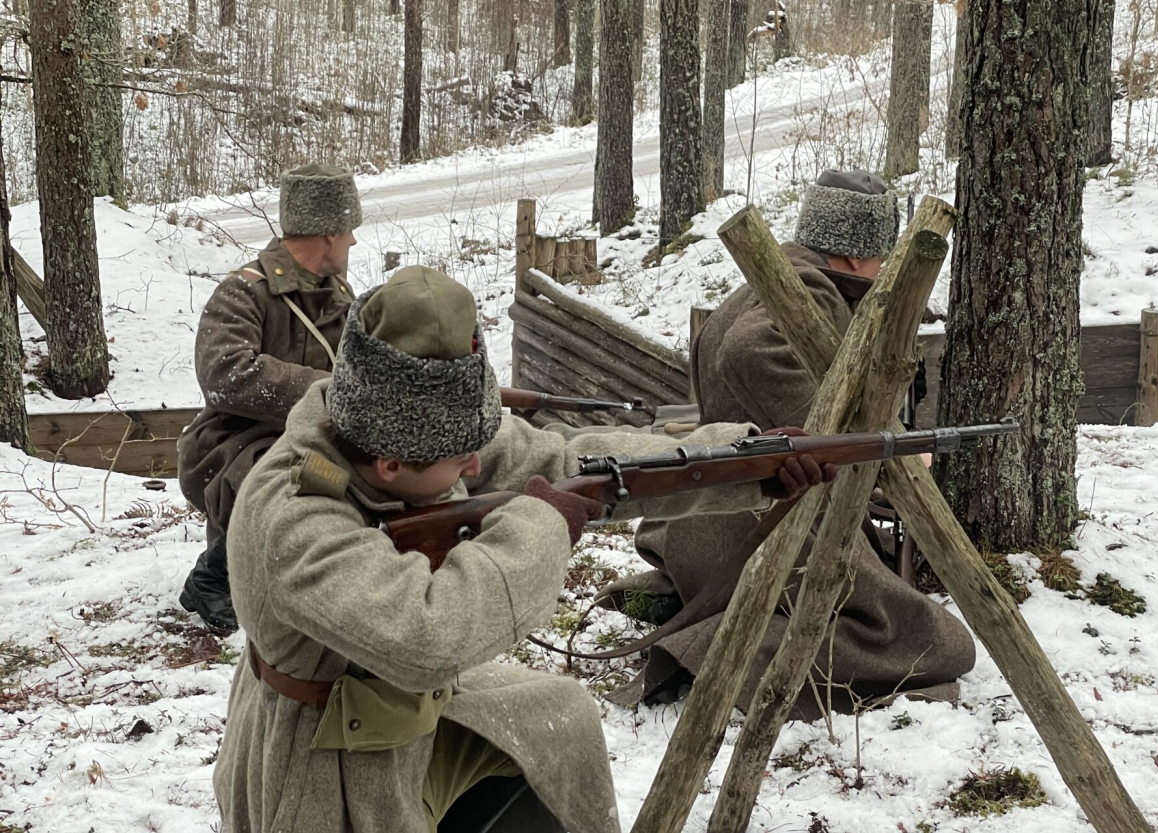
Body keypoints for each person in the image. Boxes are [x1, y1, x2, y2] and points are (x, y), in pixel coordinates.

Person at [212, 266, 835, 833]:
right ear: (390, 461)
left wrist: (741, 460)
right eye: (462, 458)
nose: (479, 465)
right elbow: (429, 633)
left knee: (558, 723)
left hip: (402, 716)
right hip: (318, 765)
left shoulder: (393, 421)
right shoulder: (292, 517)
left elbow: (569, 461)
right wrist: (540, 526)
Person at [600, 170, 977, 719]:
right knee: (936, 644)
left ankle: (698, 607)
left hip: (701, 530)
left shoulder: (761, 283)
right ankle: (709, 652)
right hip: (766, 528)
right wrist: (855, 446)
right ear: (858, 252)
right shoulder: (815, 290)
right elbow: (751, 354)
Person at [177, 163, 361, 634]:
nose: (353, 243)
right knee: (295, 475)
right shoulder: (243, 292)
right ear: (328, 233)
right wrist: (324, 389)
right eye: (349, 232)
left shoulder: (339, 296)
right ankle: (212, 576)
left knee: (367, 478)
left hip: (309, 438)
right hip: (230, 446)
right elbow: (224, 374)